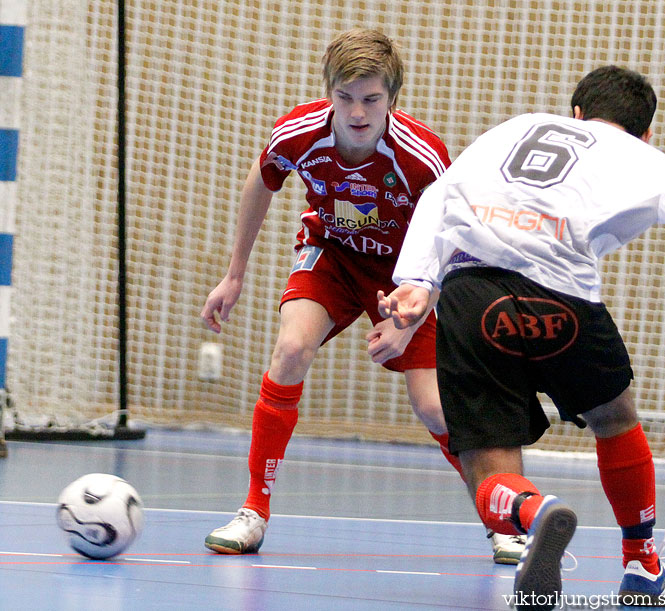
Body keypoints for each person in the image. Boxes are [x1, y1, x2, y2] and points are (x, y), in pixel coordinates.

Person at [200, 28, 525, 563]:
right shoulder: (298, 134)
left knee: (436, 409)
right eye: (345, 98)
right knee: (290, 349)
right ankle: (253, 512)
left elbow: (450, 241)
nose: (356, 112)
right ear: (330, 93)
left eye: (371, 99)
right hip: (330, 255)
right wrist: (234, 274)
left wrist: (411, 317)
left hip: (407, 273)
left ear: (392, 99)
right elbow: (261, 181)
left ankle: (502, 523)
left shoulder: (422, 157)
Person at [378, 65, 665, 608]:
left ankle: (531, 512)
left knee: (487, 455)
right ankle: (643, 568)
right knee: (614, 418)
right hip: (562, 295)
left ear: (574, 113)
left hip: (473, 293)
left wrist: (416, 282)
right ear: (646, 133)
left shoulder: (515, 127)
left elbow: (440, 194)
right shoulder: (647, 159)